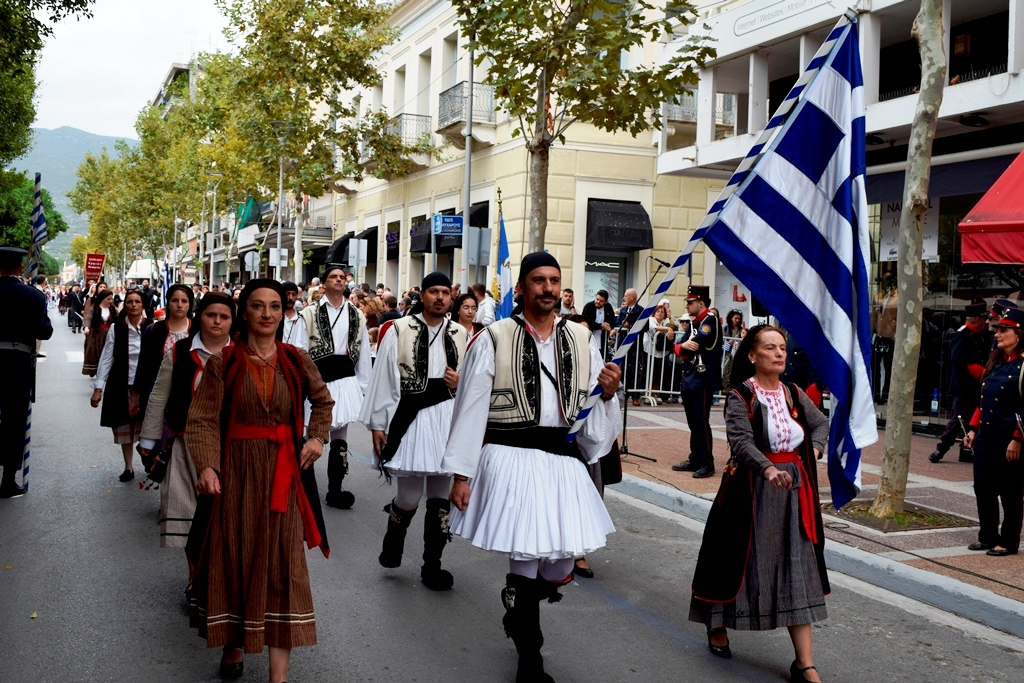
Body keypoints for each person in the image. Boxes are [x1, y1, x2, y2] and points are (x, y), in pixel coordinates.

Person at [443, 252, 622, 682]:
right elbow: (470, 409)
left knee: (559, 566)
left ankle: (519, 610)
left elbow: (594, 412)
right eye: (538, 280)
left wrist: (611, 393)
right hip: (510, 456)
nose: (548, 288)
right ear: (521, 288)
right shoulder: (493, 337)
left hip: (561, 460)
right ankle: (530, 658)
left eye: (554, 280)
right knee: (523, 561)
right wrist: (461, 474)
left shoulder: (582, 338)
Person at [185, 279, 334, 682]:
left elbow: (323, 401)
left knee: (283, 565)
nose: (267, 314)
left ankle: (278, 678)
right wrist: (207, 467)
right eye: (257, 306)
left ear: (282, 314)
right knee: (236, 559)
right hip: (234, 475)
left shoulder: (296, 359)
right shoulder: (224, 363)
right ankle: (234, 644)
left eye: (274, 306)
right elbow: (200, 420)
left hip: (283, 477)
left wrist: (318, 438)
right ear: (244, 314)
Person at [689, 325, 829, 683]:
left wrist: (812, 451)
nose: (780, 353)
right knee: (736, 561)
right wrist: (767, 469)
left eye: (782, 346)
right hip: (749, 492)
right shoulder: (741, 397)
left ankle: (805, 663)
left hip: (795, 493)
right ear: (752, 355)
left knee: (795, 566)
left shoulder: (794, 393)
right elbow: (741, 442)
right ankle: (717, 624)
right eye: (770, 348)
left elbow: (820, 424)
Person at [359, 272, 468, 591]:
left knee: (439, 496)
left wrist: (459, 383)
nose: (439, 297)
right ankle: (394, 541)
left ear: (451, 297)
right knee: (407, 495)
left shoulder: (461, 333)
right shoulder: (400, 329)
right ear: (423, 295)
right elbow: (382, 379)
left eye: (445, 292)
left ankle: (432, 565)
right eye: (433, 291)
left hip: (446, 418)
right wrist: (378, 424)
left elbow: (473, 380)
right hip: (409, 417)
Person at [138, 292, 233, 555]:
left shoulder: (241, 355)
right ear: (199, 317)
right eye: (210, 315)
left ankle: (213, 577)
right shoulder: (179, 352)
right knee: (187, 515)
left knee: (223, 516)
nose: (217, 321)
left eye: (224, 317)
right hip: (184, 444)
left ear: (232, 321)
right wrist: (149, 438)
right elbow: (159, 395)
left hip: (229, 447)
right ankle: (193, 580)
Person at [300, 264, 371, 509]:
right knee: (310, 434)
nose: (339, 280)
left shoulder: (356, 314)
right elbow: (300, 348)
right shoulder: (309, 313)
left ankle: (335, 489)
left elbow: (363, 350)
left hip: (344, 379)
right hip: (316, 379)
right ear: (324, 283)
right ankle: (302, 486)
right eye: (334, 276)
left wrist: (363, 384)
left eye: (342, 277)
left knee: (340, 437)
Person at [963, 307, 1024, 557]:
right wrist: (973, 429)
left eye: (1004, 329)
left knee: (1010, 493)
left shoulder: (1022, 366)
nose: (997, 334)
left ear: (1019, 334)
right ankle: (987, 535)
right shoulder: (996, 361)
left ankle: (1009, 541)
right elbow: (983, 400)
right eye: (997, 329)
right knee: (983, 488)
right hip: (987, 437)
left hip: (1010, 439)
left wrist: (1018, 439)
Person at [0, 245, 53, 498]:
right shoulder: (33, 296)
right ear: (20, 267)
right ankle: (7, 480)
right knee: (13, 419)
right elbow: (45, 332)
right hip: (17, 363)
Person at [90, 289, 150, 482]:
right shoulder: (117, 328)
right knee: (124, 426)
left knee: (146, 426)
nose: (133, 305)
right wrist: (98, 388)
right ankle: (128, 467)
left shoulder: (152, 328)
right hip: (121, 383)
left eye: (137, 302)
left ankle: (149, 460)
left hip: (146, 384)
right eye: (130, 301)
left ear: (143, 305)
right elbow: (107, 357)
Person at [671, 285, 723, 478]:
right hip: (690, 377)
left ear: (701, 303)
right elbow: (679, 346)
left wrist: (683, 347)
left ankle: (707, 462)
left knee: (701, 421)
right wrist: (682, 346)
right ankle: (695, 458)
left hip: (702, 378)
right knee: (693, 422)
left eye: (690, 302)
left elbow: (696, 344)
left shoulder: (710, 321)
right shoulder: (694, 323)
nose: (687, 306)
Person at [930, 301, 991, 463]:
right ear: (978, 319)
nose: (985, 322)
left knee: (973, 418)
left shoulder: (981, 336)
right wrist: (981, 372)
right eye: (983, 319)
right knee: (960, 417)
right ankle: (941, 448)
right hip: (964, 385)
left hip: (977, 384)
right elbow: (958, 359)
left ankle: (966, 450)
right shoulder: (962, 334)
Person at [135, 284, 194, 416]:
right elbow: (143, 364)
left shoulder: (198, 330)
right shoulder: (153, 330)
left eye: (184, 301)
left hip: (190, 395)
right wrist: (137, 394)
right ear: (168, 303)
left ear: (190, 304)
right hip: (157, 393)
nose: (179, 305)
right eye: (175, 301)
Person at [614, 288, 644, 405]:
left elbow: (644, 326)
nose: (624, 298)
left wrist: (630, 325)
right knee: (622, 370)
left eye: (626, 296)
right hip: (623, 344)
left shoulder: (640, 310)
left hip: (635, 345)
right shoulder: (623, 310)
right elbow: (617, 324)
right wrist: (622, 324)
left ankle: (635, 395)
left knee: (634, 370)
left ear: (632, 298)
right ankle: (623, 394)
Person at [82, 289, 115, 377]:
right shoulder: (95, 307)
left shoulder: (112, 308)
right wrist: (86, 327)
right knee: (97, 353)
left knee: (108, 354)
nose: (110, 301)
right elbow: (88, 318)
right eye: (108, 299)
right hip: (97, 335)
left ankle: (107, 373)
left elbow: (119, 318)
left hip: (110, 335)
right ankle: (98, 372)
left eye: (111, 299)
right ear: (103, 299)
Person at [582, 289, 615, 357]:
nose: (598, 302)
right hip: (589, 339)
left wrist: (608, 325)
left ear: (606, 302)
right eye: (597, 299)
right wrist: (601, 326)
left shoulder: (608, 307)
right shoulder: (589, 306)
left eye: (601, 301)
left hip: (603, 341)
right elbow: (586, 322)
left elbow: (612, 320)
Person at [281, 281, 309, 349]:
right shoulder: (275, 318)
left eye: (293, 294)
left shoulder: (302, 319)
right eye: (287, 294)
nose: (290, 298)